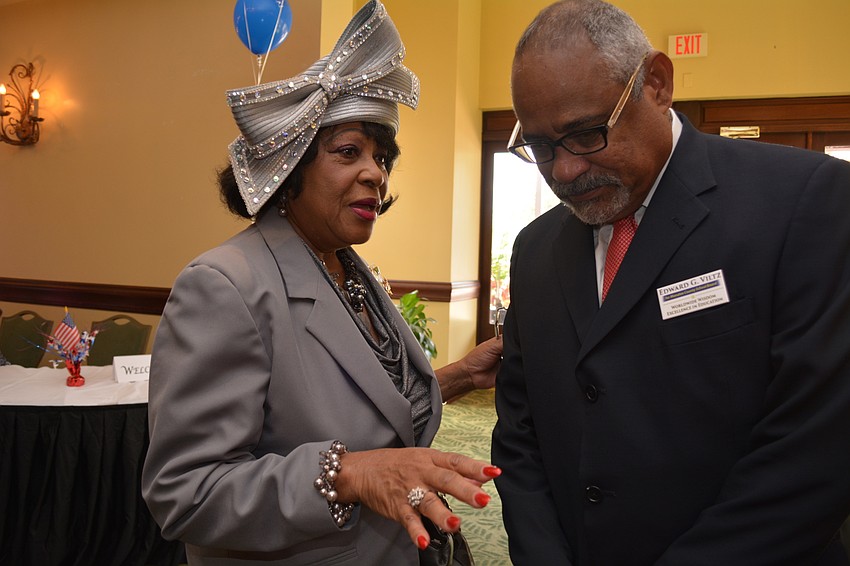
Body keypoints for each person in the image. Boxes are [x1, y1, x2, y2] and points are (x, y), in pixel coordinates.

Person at [141, 2, 503, 564]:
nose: (375, 174)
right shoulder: (223, 286)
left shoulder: (344, 267)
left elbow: (370, 406)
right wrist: (349, 474)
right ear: (289, 167)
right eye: (348, 152)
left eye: (382, 157)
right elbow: (185, 493)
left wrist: (460, 374)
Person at [491, 1, 850, 564]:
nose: (563, 171)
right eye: (539, 148)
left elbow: (816, 449)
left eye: (585, 134)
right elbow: (519, 435)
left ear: (656, 84)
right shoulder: (536, 250)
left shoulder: (805, 203)